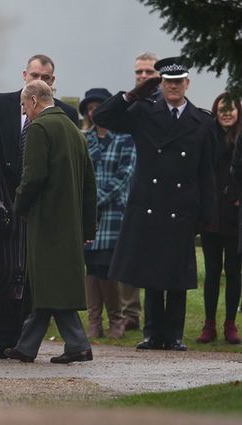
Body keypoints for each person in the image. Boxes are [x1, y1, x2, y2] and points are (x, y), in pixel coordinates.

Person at [93, 57, 216, 351]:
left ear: (187, 84)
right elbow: (103, 118)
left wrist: (207, 213)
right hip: (149, 202)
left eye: (178, 82)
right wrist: (132, 94)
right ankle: (152, 333)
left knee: (176, 273)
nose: (173, 87)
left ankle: (173, 334)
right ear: (161, 83)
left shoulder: (202, 121)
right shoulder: (144, 111)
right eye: (168, 82)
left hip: (183, 204)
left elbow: (207, 171)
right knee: (150, 271)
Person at [0, 54, 79, 360]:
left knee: (34, 274)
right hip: (3, 200)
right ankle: (1, 337)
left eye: (47, 77)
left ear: (54, 82)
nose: (40, 80)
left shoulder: (65, 113)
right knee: (3, 271)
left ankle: (26, 342)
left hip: (41, 206)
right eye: (34, 75)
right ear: (24, 75)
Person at [3, 80, 97, 364]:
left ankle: (78, 345)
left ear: (33, 101)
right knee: (49, 284)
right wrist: (88, 225)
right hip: (70, 222)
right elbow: (89, 182)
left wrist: (18, 205)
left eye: (23, 105)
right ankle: (28, 346)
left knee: (50, 284)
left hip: (46, 220)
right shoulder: (73, 129)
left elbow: (33, 177)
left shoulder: (39, 128)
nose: (24, 111)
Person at [79, 88, 135, 339]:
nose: (94, 111)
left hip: (114, 213)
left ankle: (117, 319)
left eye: (98, 106)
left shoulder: (125, 138)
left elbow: (124, 176)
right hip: (89, 216)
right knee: (91, 265)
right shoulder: (83, 138)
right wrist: (87, 204)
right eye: (90, 107)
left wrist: (96, 200)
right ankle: (94, 321)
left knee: (107, 265)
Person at [119, 51, 160, 332]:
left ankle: (157, 315)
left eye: (148, 72)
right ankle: (129, 311)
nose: (143, 77)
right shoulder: (132, 105)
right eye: (139, 73)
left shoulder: (165, 103)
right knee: (129, 251)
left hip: (158, 187)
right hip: (130, 186)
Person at [200, 93, 242, 344]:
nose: (226, 113)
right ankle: (209, 324)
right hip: (211, 213)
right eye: (222, 109)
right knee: (212, 271)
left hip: (235, 213)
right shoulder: (209, 137)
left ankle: (230, 324)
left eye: (231, 109)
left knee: (234, 271)